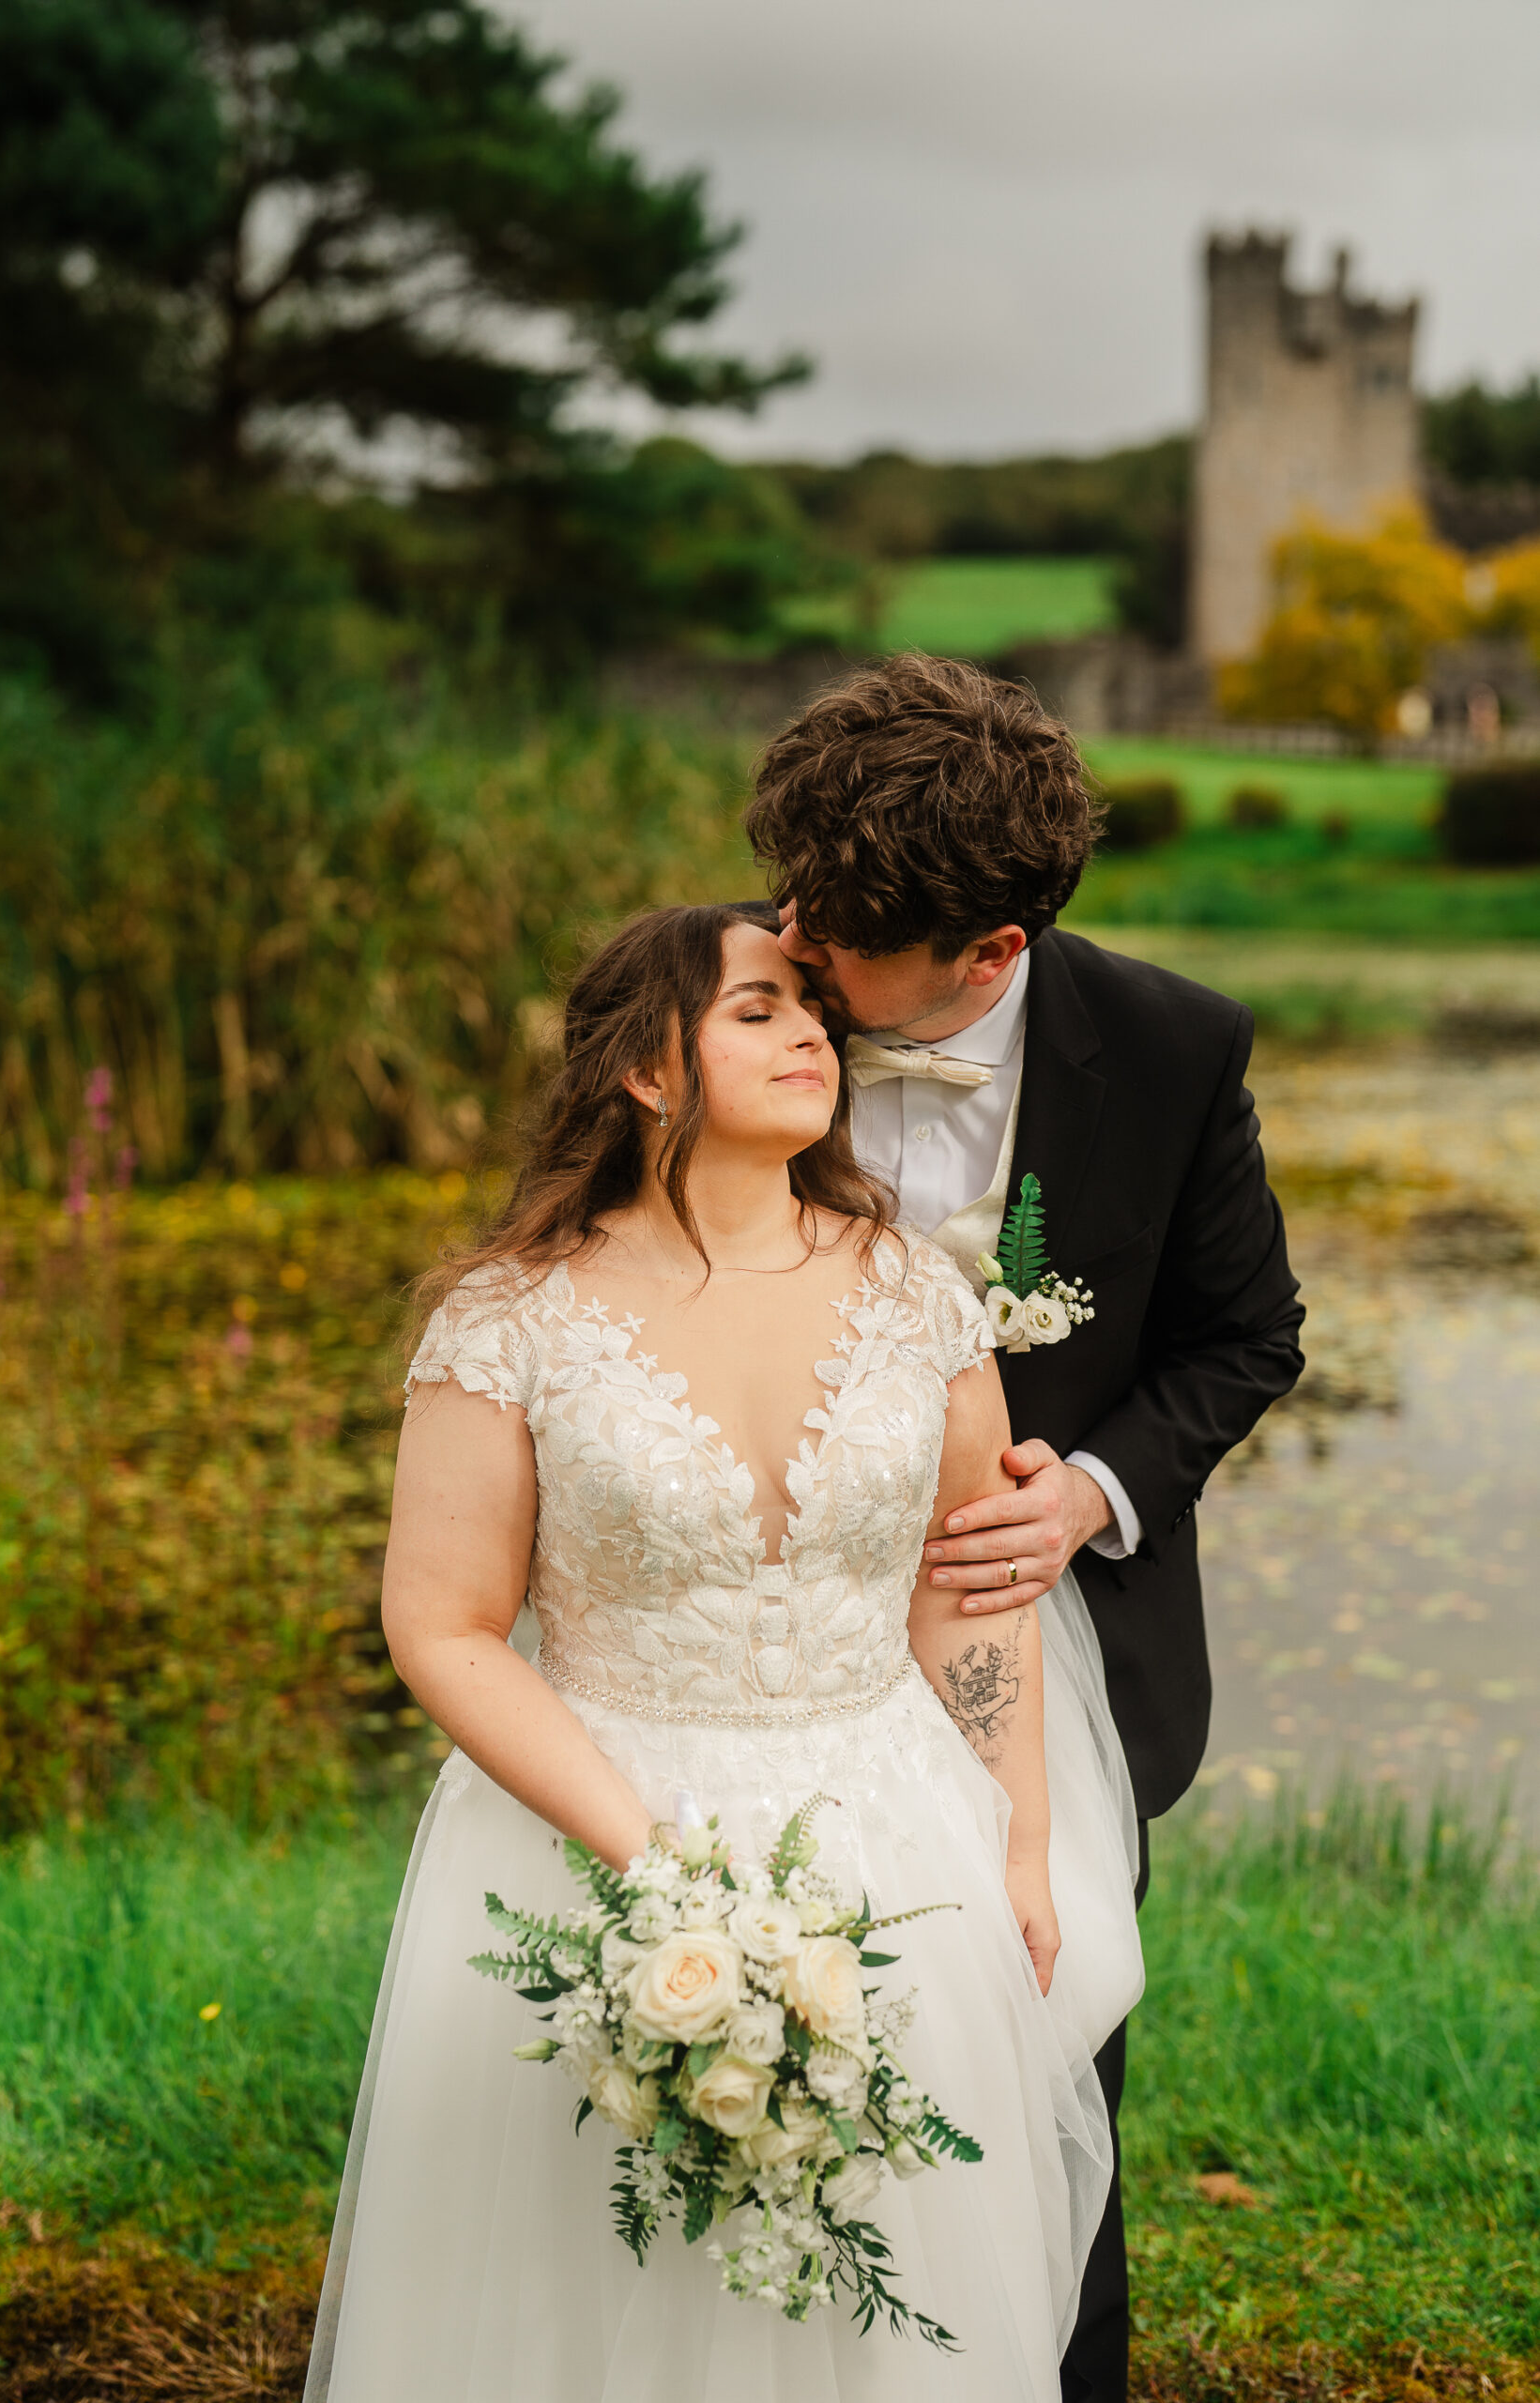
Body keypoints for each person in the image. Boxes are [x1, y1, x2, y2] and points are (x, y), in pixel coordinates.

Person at [304, 904, 1145, 2403]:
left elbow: (970, 1581)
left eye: (815, 1008)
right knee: (599, 2275)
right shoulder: (512, 1321)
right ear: (643, 1066)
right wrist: (658, 1867)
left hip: (896, 1830)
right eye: (758, 1009)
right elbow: (438, 1625)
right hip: (598, 1834)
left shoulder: (916, 1293)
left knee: (896, 2281)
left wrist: (1018, 1837)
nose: (812, 1032)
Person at [750, 652, 1307, 2403]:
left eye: (840, 940)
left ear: (996, 952)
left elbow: (1246, 1338)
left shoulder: (1169, 1046)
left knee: (1040, 2059)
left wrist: (1088, 1491)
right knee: (743, 2043)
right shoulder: (724, 994)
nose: (793, 952)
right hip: (758, 1639)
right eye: (789, 898)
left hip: (1046, 1650)